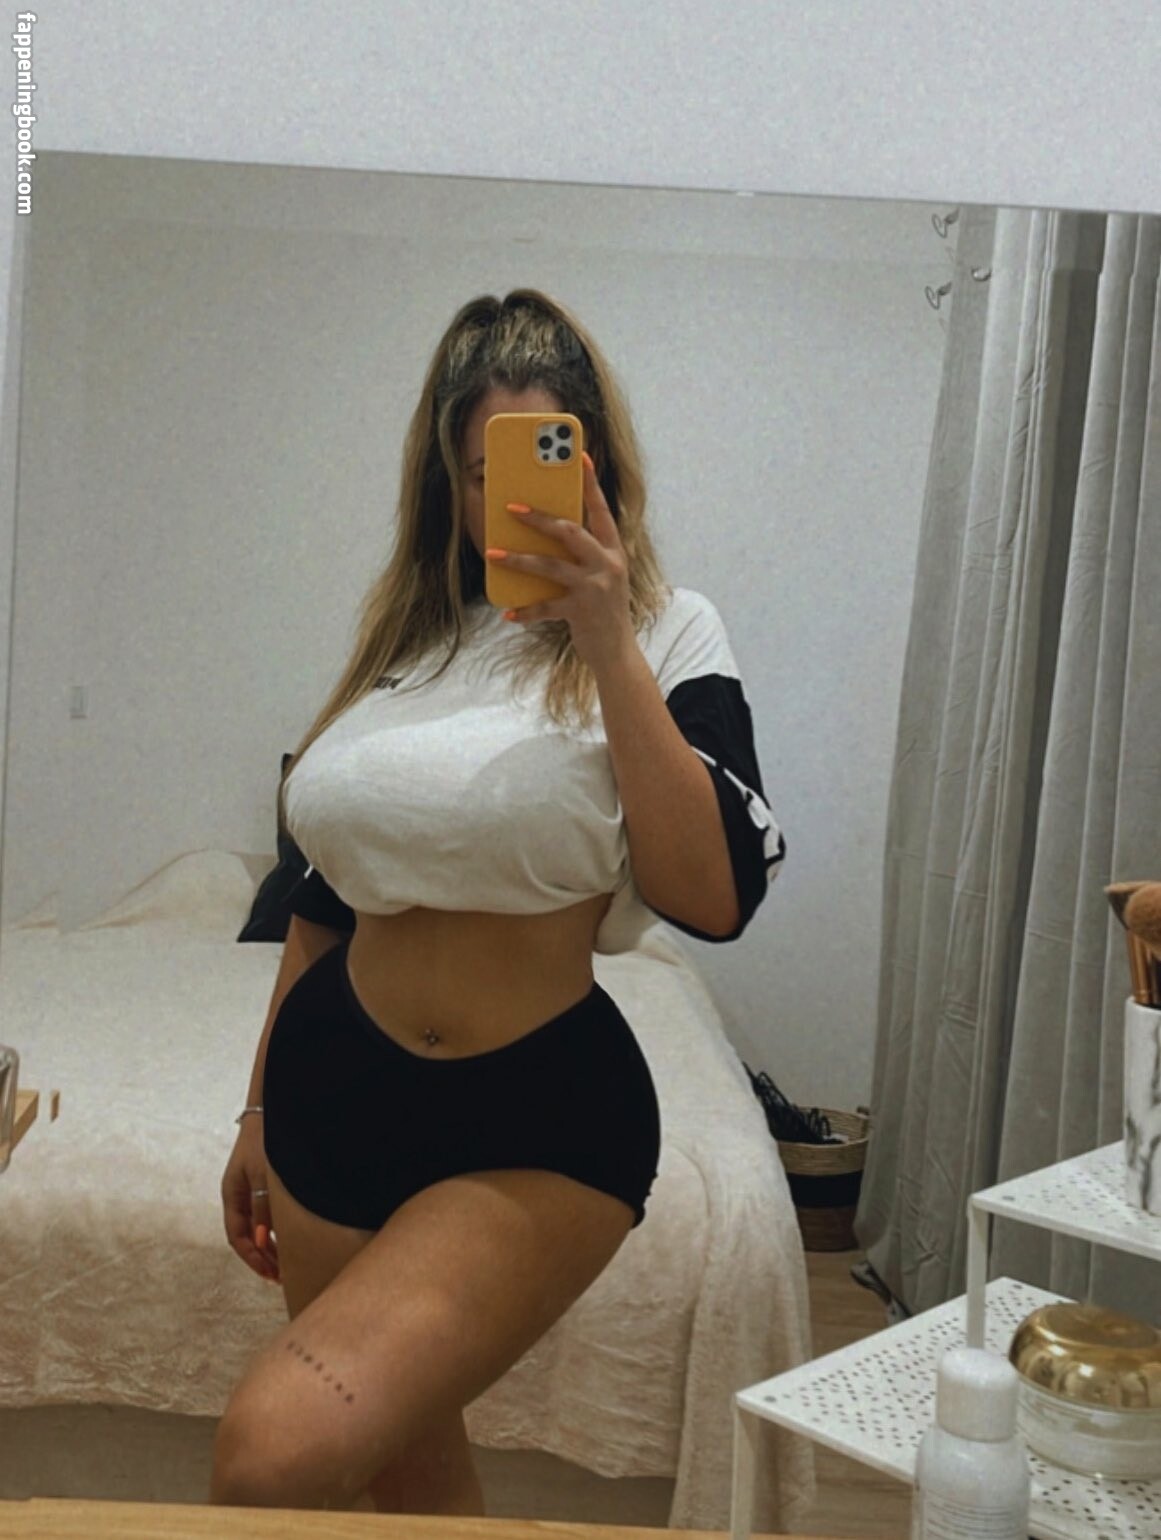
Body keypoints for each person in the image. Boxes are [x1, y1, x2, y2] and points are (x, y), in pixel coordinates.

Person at [213, 288, 785, 1516]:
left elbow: (713, 893)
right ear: (452, 487)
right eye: (485, 472)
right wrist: (256, 1106)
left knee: (271, 1454)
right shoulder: (405, 645)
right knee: (411, 1483)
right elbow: (323, 903)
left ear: (597, 464)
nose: (515, 500)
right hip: (329, 1092)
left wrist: (604, 636)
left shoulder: (668, 631)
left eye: (547, 459)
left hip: (539, 1115)